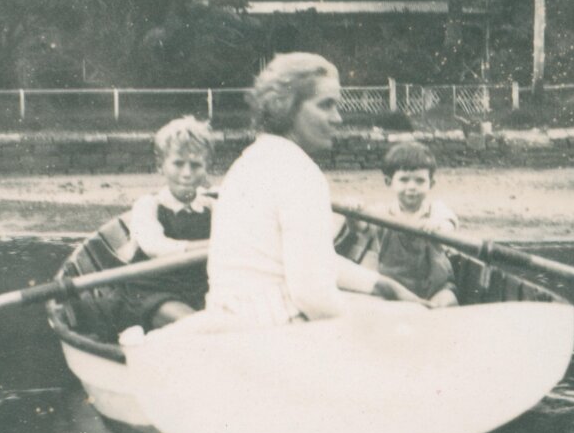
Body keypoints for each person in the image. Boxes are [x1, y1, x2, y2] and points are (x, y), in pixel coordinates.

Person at [143, 52, 423, 340]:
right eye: (326, 105)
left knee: (385, 307)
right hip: (275, 331)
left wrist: (379, 284)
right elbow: (314, 297)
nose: (338, 118)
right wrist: (384, 315)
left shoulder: (250, 160)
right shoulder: (300, 172)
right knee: (414, 321)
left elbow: (304, 261)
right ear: (287, 107)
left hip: (233, 317)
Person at [116, 115, 214, 332]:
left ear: (206, 168)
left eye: (196, 165)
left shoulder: (212, 207)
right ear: (161, 166)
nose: (187, 173)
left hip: (200, 291)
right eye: (178, 164)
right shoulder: (148, 205)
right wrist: (213, 245)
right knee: (202, 328)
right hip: (154, 291)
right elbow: (155, 247)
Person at [360, 141, 459, 308]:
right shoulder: (381, 213)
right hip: (393, 291)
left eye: (420, 181)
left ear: (431, 183)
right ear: (389, 182)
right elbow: (359, 228)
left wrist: (437, 226)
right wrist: (353, 213)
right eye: (404, 180)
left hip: (434, 290)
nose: (412, 187)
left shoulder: (436, 211)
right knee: (372, 304)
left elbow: (449, 224)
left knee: (448, 300)